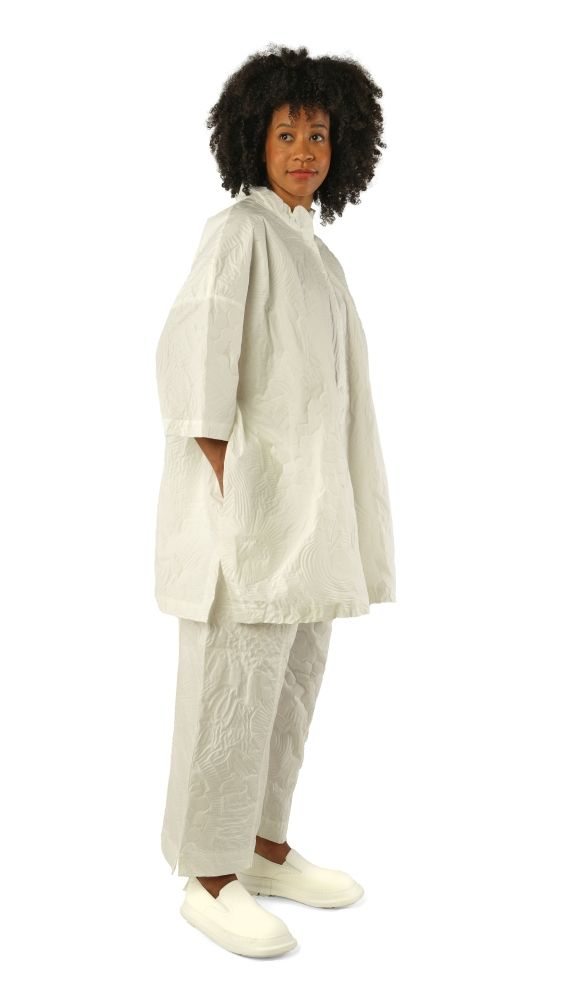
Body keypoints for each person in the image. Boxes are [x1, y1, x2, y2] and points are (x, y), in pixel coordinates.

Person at [154, 43, 396, 958]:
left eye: (319, 134)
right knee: (230, 691)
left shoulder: (316, 254)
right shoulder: (240, 234)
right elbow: (194, 366)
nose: (304, 150)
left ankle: (260, 845)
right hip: (250, 523)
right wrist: (239, 493)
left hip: (312, 521)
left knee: (289, 689)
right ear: (252, 138)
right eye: (287, 133)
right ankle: (208, 877)